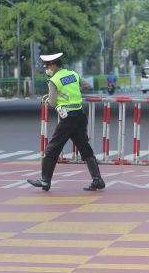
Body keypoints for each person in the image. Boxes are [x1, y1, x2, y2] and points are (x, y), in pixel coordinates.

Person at [27, 52, 105, 191]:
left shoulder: (54, 80)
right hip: (80, 115)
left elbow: (51, 102)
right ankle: (97, 180)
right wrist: (74, 92)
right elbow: (87, 85)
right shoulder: (72, 74)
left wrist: (50, 96)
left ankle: (45, 181)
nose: (46, 68)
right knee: (85, 148)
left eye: (46, 66)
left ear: (52, 65)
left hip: (67, 118)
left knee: (52, 148)